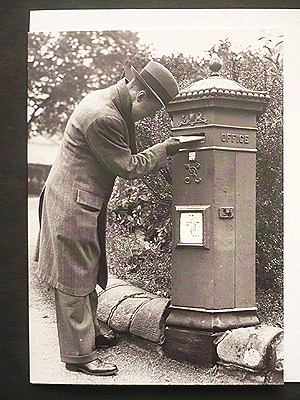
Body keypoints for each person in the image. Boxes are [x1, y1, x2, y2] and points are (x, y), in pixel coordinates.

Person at [34, 60, 182, 376]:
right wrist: (165, 149)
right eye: (153, 111)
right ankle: (79, 357)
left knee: (85, 268)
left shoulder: (108, 101)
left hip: (76, 200)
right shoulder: (104, 116)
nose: (149, 118)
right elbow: (127, 166)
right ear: (140, 96)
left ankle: (91, 334)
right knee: (73, 279)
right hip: (72, 205)